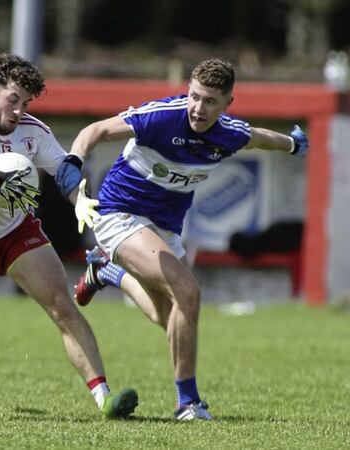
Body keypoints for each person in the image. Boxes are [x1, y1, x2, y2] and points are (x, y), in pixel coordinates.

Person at [66, 58, 310, 421]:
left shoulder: (229, 133)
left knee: (171, 317)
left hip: (164, 227)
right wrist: (73, 163)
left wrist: (293, 143)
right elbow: (96, 130)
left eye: (210, 101)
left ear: (228, 103)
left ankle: (106, 271)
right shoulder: (162, 117)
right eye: (194, 96)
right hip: (119, 213)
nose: (198, 107)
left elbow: (260, 138)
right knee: (189, 292)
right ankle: (188, 403)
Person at [0, 53, 139, 419]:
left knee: (61, 304)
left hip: (16, 231)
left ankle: (104, 397)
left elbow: (64, 171)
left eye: (26, 103)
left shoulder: (34, 132)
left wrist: (79, 200)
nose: (18, 111)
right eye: (13, 99)